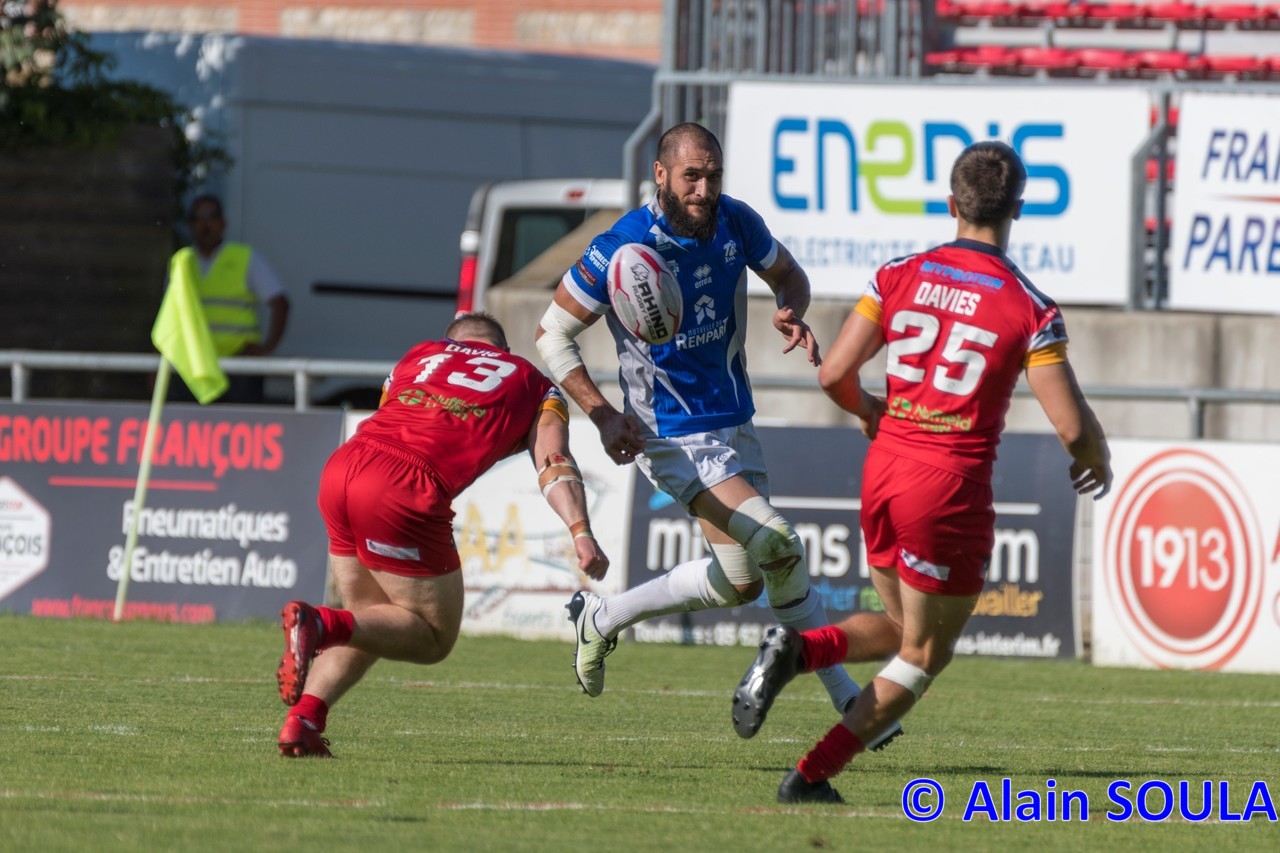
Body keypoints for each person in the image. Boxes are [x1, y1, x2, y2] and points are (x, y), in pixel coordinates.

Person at [730, 140, 1113, 804]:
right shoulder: (1030, 307)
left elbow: (833, 373)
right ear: (1019, 209)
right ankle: (811, 776)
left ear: (950, 204)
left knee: (899, 622)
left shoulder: (899, 274)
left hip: (884, 467)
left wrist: (870, 410)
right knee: (926, 654)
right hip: (949, 485)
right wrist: (1095, 460)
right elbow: (1074, 429)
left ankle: (797, 649)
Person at [534, 122, 897, 740]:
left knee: (741, 580)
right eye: (691, 177)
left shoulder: (736, 221)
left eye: (713, 176)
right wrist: (602, 413)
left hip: (734, 419)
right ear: (660, 175)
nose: (704, 190)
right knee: (780, 542)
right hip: (670, 434)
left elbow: (791, 275)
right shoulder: (623, 247)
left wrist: (791, 307)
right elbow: (551, 334)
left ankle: (603, 618)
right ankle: (851, 702)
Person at [275, 312, 609, 757]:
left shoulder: (418, 356)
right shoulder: (534, 383)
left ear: (450, 342)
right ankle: (319, 624)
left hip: (344, 465)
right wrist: (580, 530)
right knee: (432, 637)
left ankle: (303, 721)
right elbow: (554, 463)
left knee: (372, 620)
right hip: (403, 487)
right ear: (504, 350)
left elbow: (392, 409)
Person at [165, 193, 290, 404]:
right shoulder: (182, 263)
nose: (205, 225)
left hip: (238, 367)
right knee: (195, 424)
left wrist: (268, 347)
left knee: (240, 423)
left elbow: (281, 303)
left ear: (223, 223)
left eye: (211, 217)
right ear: (190, 225)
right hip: (193, 365)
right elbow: (167, 317)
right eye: (198, 218)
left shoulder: (245, 258)